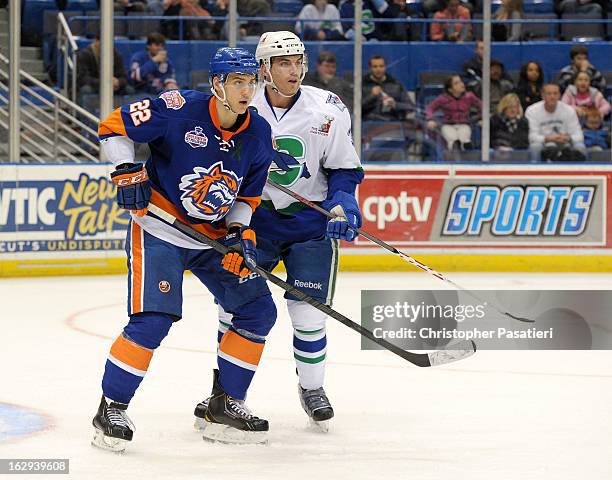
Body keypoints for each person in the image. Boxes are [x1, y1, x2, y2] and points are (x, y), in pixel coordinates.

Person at [92, 47, 278, 450]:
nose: (248, 91)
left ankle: (224, 404)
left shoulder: (259, 133)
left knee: (257, 309)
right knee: (154, 320)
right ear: (217, 85)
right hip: (161, 227)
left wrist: (239, 234)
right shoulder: (178, 108)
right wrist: (126, 169)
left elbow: (248, 195)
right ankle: (111, 407)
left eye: (253, 82)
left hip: (211, 237)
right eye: (238, 82)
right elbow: (112, 126)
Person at [194, 31, 364, 431]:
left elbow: (343, 168)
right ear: (263, 69)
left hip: (309, 225)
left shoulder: (328, 108)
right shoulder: (240, 101)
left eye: (298, 61)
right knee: (233, 310)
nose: (294, 70)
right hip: (250, 224)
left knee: (308, 313)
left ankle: (312, 388)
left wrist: (344, 202)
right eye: (283, 63)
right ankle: (225, 393)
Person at [525, 83, 586, 161]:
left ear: (559, 95)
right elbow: (531, 137)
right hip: (544, 143)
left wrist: (568, 138)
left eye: (555, 93)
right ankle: (535, 172)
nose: (552, 97)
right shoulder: (532, 110)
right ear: (542, 95)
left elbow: (579, 135)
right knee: (535, 147)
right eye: (549, 94)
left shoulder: (569, 110)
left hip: (565, 142)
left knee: (580, 146)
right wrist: (548, 138)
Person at [426, 74, 482, 150]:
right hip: (448, 125)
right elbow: (430, 108)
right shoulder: (443, 98)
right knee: (451, 137)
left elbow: (481, 106)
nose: (461, 84)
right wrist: (430, 119)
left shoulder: (469, 96)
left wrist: (481, 118)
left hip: (464, 124)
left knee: (464, 134)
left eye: (461, 81)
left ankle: (465, 145)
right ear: (450, 89)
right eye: (456, 83)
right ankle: (454, 145)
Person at [76, 35, 131, 101]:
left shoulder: (116, 55)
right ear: (96, 41)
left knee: (129, 90)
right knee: (86, 89)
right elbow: (83, 78)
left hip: (112, 86)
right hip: (94, 86)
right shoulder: (84, 55)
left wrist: (118, 82)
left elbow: (124, 77)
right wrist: (103, 82)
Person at [362, 55, 414, 121]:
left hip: (391, 124)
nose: (378, 69)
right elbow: (354, 109)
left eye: (381, 66)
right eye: (375, 66)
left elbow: (410, 107)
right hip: (368, 124)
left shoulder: (395, 84)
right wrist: (371, 96)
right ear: (370, 68)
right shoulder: (362, 85)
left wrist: (395, 105)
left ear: (385, 67)